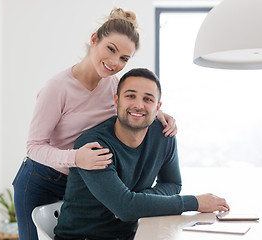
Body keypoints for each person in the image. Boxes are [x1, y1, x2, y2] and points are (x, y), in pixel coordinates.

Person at [12, 8, 177, 240]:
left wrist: (159, 114)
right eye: (111, 49)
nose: (114, 62)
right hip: (41, 180)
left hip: (81, 180)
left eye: (123, 58)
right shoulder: (57, 88)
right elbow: (34, 146)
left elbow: (132, 103)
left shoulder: (113, 85)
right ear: (94, 39)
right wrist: (76, 158)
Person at [54, 68, 230, 240]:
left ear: (157, 106)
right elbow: (125, 208)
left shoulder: (164, 135)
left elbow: (172, 183)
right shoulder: (94, 145)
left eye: (148, 99)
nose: (139, 105)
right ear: (116, 101)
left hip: (132, 234)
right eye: (130, 96)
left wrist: (140, 200)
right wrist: (196, 203)